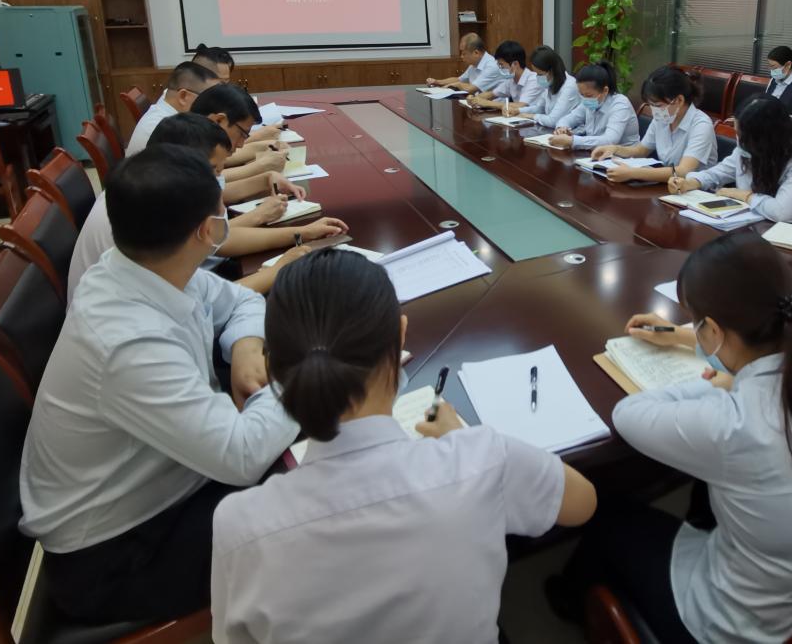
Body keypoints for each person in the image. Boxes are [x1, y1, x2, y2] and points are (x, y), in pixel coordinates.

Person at [210, 249, 597, 643]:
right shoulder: (481, 458)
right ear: (400, 334)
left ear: (273, 367)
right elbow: (582, 504)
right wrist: (461, 440)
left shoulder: (239, 525)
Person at [556, 232, 792, 643]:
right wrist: (726, 369)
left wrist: (719, 384)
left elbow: (629, 415)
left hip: (753, 628)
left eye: (696, 325)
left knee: (611, 520)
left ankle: (568, 603)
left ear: (712, 331)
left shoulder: (735, 423)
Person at [19, 145, 299, 624]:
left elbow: (239, 303)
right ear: (209, 231)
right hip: (118, 556)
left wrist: (247, 350)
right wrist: (315, 373)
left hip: (158, 487)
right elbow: (242, 456)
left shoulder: (142, 266)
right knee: (325, 523)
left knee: (310, 482)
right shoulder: (127, 341)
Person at [66, 114, 346, 300]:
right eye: (214, 171)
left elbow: (218, 295)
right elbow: (219, 251)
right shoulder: (155, 211)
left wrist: (301, 235)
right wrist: (280, 263)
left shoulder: (148, 189)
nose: (219, 182)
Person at [669, 97, 792, 222]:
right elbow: (716, 173)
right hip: (748, 226)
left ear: (766, 137)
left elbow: (781, 212)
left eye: (744, 136)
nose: (739, 141)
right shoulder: (745, 152)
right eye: (737, 133)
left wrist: (744, 195)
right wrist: (690, 183)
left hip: (787, 240)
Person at [591, 66, 717, 184]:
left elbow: (683, 171)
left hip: (697, 193)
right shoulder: (663, 118)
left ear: (679, 100)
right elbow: (641, 151)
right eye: (651, 105)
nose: (653, 110)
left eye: (657, 105)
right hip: (668, 187)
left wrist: (633, 173)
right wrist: (614, 149)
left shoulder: (701, 125)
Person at [191, 84, 289, 188]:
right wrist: (259, 167)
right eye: (242, 134)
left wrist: (264, 147)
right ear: (219, 120)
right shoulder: (181, 150)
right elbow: (213, 187)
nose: (241, 145)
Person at [125, 61, 220, 155]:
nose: (215, 107)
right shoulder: (167, 130)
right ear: (183, 96)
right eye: (209, 98)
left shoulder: (168, 108)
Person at [549, 60, 639, 151]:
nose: (584, 98)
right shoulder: (589, 101)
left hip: (625, 159)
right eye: (581, 94)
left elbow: (610, 140)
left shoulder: (620, 104)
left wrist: (572, 141)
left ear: (605, 91)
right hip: (596, 154)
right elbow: (568, 118)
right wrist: (562, 129)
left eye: (588, 95)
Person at [473, 39, 545, 113]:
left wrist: (488, 103)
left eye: (501, 65)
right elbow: (491, 94)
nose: (500, 69)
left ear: (515, 64)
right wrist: (475, 99)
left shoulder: (534, 80)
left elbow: (520, 106)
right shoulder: (511, 80)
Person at [518, 45, 579, 128]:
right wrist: (518, 111)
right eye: (536, 74)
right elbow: (540, 108)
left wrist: (532, 116)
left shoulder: (570, 86)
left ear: (552, 70)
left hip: (570, 133)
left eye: (540, 74)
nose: (537, 77)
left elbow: (553, 121)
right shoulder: (550, 83)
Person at [426, 33, 502, 93]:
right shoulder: (474, 64)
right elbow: (459, 80)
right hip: (478, 104)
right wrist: (437, 82)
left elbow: (471, 88)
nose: (461, 56)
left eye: (464, 53)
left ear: (476, 53)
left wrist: (451, 86)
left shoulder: (492, 66)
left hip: (495, 110)